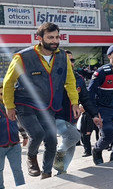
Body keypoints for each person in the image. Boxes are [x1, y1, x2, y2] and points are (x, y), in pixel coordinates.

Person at [2, 22, 79, 179]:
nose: (54, 41)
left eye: (57, 37)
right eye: (50, 37)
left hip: (48, 106)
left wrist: (74, 102)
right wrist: (9, 106)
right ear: (39, 38)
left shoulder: (63, 56)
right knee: (37, 134)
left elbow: (70, 81)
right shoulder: (23, 57)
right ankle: (31, 156)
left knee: (51, 140)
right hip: (25, 103)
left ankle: (47, 172)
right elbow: (8, 82)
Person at [53, 50, 102, 174]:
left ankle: (62, 170)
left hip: (72, 116)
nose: (71, 63)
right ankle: (58, 157)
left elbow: (85, 98)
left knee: (72, 144)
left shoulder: (78, 78)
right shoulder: (53, 77)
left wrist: (94, 114)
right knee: (74, 136)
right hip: (56, 115)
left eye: (72, 60)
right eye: (67, 60)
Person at [88, 44, 113, 165]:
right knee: (108, 134)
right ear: (109, 56)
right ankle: (97, 149)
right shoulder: (102, 72)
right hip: (104, 109)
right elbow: (90, 92)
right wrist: (94, 112)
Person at [0, 82, 28, 188]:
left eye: (5, 93)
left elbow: (19, 122)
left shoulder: (13, 106)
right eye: (1, 94)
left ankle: (21, 187)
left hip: (14, 144)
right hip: (0, 146)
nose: (3, 96)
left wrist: (24, 136)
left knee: (17, 170)